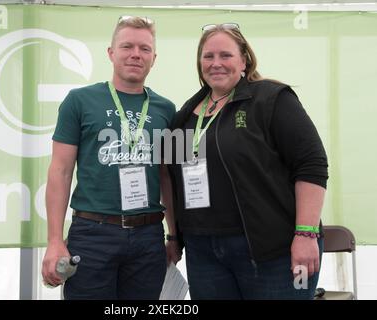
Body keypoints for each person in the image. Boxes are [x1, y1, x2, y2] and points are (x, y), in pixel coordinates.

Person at [167, 23, 328, 299]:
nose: (216, 63)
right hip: (203, 251)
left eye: (225, 55)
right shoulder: (183, 118)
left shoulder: (272, 99)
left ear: (244, 60)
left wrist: (306, 234)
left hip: (272, 251)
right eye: (208, 56)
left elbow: (311, 164)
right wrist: (174, 236)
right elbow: (172, 179)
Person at [41, 16, 180, 300]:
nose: (135, 54)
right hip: (93, 234)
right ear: (111, 52)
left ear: (154, 58)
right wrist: (55, 241)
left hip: (148, 236)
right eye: (127, 46)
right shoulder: (79, 101)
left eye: (144, 48)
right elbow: (60, 170)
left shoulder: (167, 108)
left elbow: (168, 176)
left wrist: (174, 235)